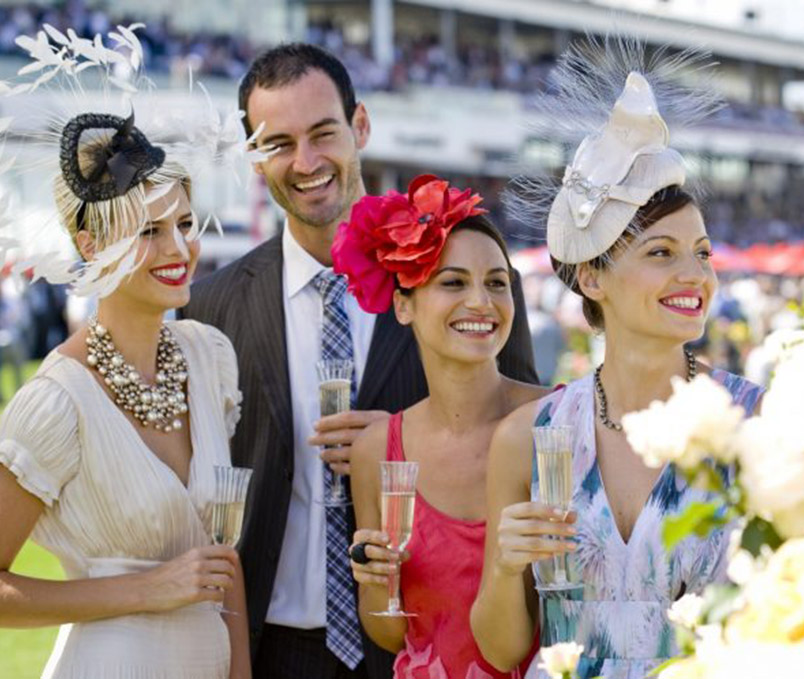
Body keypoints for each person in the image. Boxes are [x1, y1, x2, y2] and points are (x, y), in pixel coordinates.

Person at [182, 44, 538, 679]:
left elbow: (521, 436)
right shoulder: (210, 309)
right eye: (279, 143)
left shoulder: (465, 279)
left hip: (427, 647)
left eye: (323, 133)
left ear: (361, 125)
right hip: (270, 647)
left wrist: (408, 434)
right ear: (254, 157)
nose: (306, 162)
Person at [471, 56, 764, 679]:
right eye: (662, 253)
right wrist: (503, 563)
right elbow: (501, 651)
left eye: (702, 253)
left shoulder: (755, 421)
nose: (695, 276)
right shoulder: (528, 437)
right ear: (592, 277)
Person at [0, 59, 251, 679]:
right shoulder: (57, 402)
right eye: (149, 231)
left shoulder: (209, 358)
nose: (178, 249)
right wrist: (146, 589)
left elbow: (223, 563)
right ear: (91, 247)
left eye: (184, 224)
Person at [335, 175, 547, 678]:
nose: (481, 302)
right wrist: (375, 579)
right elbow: (391, 633)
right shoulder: (376, 451)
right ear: (403, 305)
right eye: (453, 282)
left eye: (496, 283)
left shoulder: (556, 422)